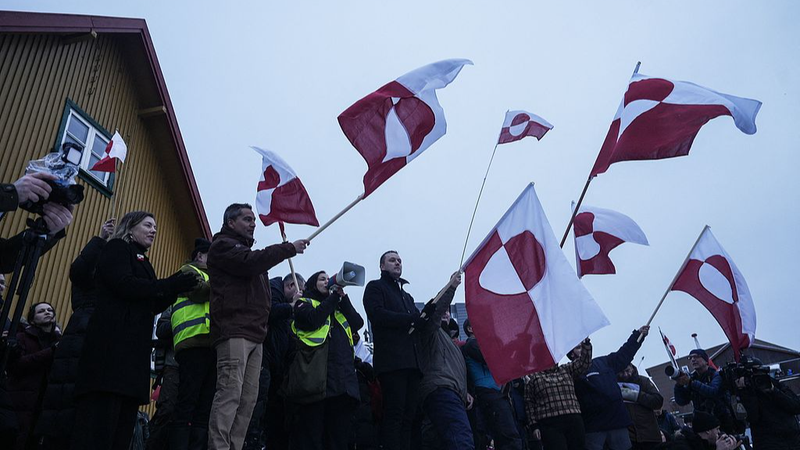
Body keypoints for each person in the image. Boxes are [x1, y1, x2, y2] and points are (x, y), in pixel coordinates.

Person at [71, 211, 199, 450]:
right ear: (130, 227)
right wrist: (169, 283)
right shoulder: (117, 248)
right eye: (148, 225)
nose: (154, 231)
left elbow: (150, 302)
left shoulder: (144, 261)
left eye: (156, 227)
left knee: (122, 429)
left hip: (132, 357)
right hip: (110, 352)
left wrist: (175, 289)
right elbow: (124, 284)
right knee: (100, 428)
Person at [206, 203, 307, 450]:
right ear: (231, 223)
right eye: (247, 219)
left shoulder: (248, 255)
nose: (253, 223)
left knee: (248, 400)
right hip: (234, 331)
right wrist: (287, 249)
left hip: (255, 335)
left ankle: (234, 447)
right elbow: (251, 262)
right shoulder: (223, 246)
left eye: (253, 219)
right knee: (230, 394)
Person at [36, 218, 115, 449]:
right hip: (79, 336)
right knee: (64, 401)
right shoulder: (85, 279)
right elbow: (80, 266)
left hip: (92, 336)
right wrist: (101, 238)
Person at [286, 271, 364, 450]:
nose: (327, 281)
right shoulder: (303, 303)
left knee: (338, 439)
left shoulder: (337, 308)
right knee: (312, 439)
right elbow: (312, 320)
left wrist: (343, 299)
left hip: (341, 385)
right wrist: (334, 297)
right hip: (315, 384)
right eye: (322, 279)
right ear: (312, 284)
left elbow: (357, 323)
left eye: (329, 279)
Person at [362, 251, 421, 450]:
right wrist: (410, 319)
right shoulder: (375, 287)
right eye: (392, 260)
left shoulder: (407, 296)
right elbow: (377, 315)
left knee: (409, 416)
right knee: (394, 414)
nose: (397, 263)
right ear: (382, 266)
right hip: (392, 363)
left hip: (412, 363)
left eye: (399, 260)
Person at [169, 238, 215, 450]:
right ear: (199, 256)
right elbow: (198, 293)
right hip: (192, 342)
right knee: (188, 402)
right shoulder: (187, 271)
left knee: (204, 405)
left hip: (212, 344)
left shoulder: (212, 276)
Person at [574, 326, 649, 450]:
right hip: (593, 428)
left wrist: (637, 336)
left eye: (583, 345)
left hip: (617, 422)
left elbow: (624, 354)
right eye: (578, 347)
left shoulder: (603, 362)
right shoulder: (571, 373)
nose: (582, 348)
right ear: (572, 354)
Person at [7, 302, 61, 449]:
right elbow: (17, 365)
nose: (47, 312)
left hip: (45, 404)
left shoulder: (60, 341)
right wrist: (51, 351)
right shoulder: (22, 337)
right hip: (21, 401)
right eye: (41, 311)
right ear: (32, 320)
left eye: (50, 310)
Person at [462, 323, 523, 450]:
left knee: (505, 437)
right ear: (470, 329)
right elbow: (493, 359)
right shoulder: (472, 344)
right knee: (509, 437)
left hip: (495, 395)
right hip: (489, 395)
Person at [524, 338, 592, 450]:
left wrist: (586, 345)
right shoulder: (533, 377)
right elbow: (529, 403)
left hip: (573, 420)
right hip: (549, 424)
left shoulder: (566, 369)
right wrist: (534, 426)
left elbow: (584, 363)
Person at [731, 360, 800, 449]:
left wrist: (773, 391)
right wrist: (745, 392)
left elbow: (796, 406)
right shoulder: (747, 391)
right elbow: (752, 417)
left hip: (792, 439)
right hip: (768, 442)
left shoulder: (774, 384)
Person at [673, 349, 739, 434]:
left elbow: (713, 392)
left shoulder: (716, 375)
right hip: (703, 423)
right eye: (690, 358)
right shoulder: (692, 378)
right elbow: (681, 401)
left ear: (706, 360)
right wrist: (679, 385)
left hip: (721, 421)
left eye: (696, 356)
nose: (693, 359)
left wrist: (691, 383)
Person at [618, 363, 664, 450]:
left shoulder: (644, 381)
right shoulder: (614, 385)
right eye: (621, 372)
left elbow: (658, 401)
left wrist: (635, 394)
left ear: (632, 368)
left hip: (649, 436)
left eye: (627, 371)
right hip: (628, 439)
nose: (625, 374)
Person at [655, 411, 741, 450]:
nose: (719, 433)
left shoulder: (708, 444)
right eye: (717, 429)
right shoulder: (682, 446)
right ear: (708, 431)